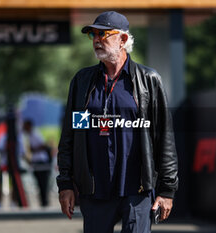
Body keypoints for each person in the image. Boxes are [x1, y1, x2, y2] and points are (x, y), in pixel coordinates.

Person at [56, 11, 178, 233]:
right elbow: (71, 136)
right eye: (93, 35)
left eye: (103, 34)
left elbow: (165, 139)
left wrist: (167, 190)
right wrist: (65, 183)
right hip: (95, 190)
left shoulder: (148, 81)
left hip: (137, 191)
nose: (96, 40)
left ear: (123, 39)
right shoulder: (83, 82)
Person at [22, 119, 52, 207]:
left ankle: (45, 201)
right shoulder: (28, 135)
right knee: (39, 184)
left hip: (41, 161)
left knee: (43, 184)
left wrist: (33, 149)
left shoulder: (35, 134)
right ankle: (43, 201)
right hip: (36, 162)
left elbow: (44, 145)